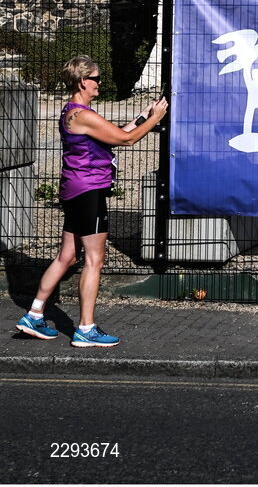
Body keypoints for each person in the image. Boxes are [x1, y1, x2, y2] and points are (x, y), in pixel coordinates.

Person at [16, 55, 168, 347]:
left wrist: (141, 116)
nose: (100, 83)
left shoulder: (74, 112)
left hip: (76, 190)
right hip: (89, 192)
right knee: (95, 260)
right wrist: (155, 120)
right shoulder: (83, 115)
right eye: (97, 79)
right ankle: (85, 328)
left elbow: (116, 133)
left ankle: (34, 314)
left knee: (68, 257)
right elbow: (127, 141)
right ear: (84, 81)